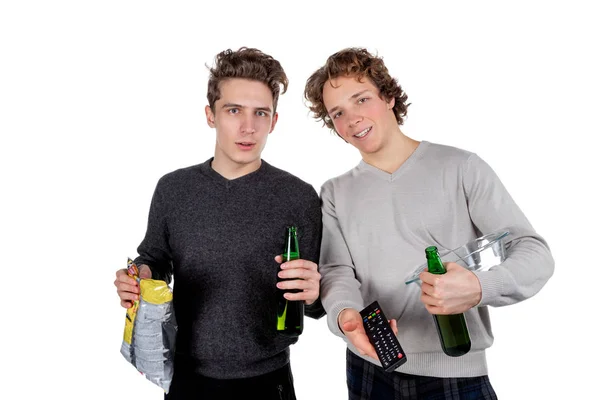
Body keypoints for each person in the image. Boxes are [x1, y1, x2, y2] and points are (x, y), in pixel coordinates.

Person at [303, 47, 554, 399]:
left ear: (388, 96)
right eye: (338, 113)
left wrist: (480, 287)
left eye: (361, 99)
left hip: (456, 375)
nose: (352, 119)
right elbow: (337, 272)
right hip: (369, 369)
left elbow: (534, 252)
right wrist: (345, 315)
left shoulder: (461, 167)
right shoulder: (334, 192)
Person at [114, 47, 324, 400]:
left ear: (273, 121)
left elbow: (316, 301)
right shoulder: (174, 189)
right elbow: (155, 258)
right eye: (233, 110)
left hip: (268, 378)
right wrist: (140, 275)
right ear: (210, 115)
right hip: (186, 378)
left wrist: (317, 293)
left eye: (260, 113)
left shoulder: (299, 197)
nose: (248, 127)